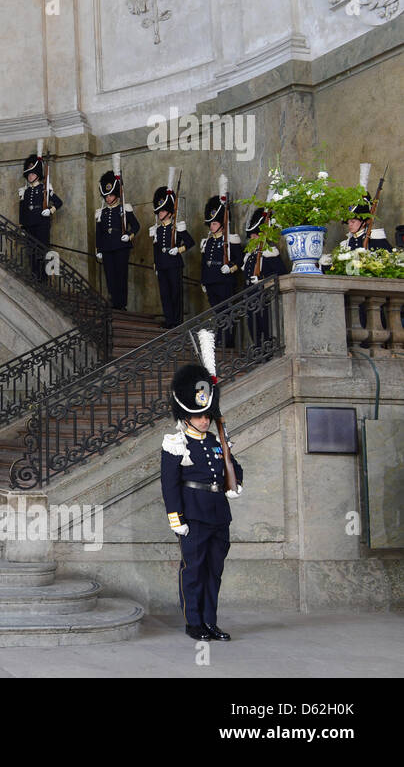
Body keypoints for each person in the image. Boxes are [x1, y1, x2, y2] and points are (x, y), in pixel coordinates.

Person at [161, 359, 243, 642]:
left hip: (219, 515)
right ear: (186, 416)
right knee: (193, 571)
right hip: (193, 517)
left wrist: (233, 473)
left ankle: (210, 622)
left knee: (214, 572)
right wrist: (176, 518)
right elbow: (170, 485)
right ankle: (193, 623)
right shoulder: (176, 442)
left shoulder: (215, 441)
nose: (204, 420)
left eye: (206, 415)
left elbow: (235, 469)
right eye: (198, 416)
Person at [199, 187, 242, 347]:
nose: (211, 226)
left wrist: (230, 268)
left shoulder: (231, 240)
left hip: (224, 280)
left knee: (226, 311)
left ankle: (227, 340)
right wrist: (203, 281)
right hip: (211, 281)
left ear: (222, 223)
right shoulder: (208, 241)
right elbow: (203, 263)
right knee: (217, 312)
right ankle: (219, 337)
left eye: (214, 223)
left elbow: (240, 260)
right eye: (210, 223)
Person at [240, 206, 286, 346]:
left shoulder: (270, 252)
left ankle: (265, 349)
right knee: (251, 323)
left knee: (263, 323)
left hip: (263, 294)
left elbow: (281, 273)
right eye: (252, 235)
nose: (252, 237)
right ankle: (257, 347)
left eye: (255, 235)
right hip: (249, 294)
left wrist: (262, 279)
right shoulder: (250, 255)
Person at [94, 170, 140, 311]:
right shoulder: (102, 212)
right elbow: (99, 233)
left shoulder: (125, 208)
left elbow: (137, 226)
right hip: (107, 247)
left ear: (116, 194)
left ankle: (122, 304)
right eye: (106, 196)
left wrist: (129, 235)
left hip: (121, 246)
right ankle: (114, 302)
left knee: (121, 275)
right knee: (110, 276)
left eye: (111, 195)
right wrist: (98, 249)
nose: (108, 198)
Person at [150, 183, 193, 328]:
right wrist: (156, 264)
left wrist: (179, 249)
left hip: (174, 264)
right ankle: (169, 320)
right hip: (162, 265)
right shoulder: (157, 230)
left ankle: (177, 321)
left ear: (169, 211)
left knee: (175, 293)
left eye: (162, 211)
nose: (160, 213)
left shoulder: (177, 227)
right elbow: (156, 249)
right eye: (159, 211)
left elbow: (190, 242)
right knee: (165, 294)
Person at [19, 153, 63, 280]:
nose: (30, 176)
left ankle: (43, 280)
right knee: (31, 254)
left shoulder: (45, 189)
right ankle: (35, 278)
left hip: (41, 225)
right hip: (29, 226)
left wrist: (50, 210)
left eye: (32, 173)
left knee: (42, 252)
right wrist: (22, 226)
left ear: (37, 174)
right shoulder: (25, 191)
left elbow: (59, 202)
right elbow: (22, 210)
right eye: (28, 174)